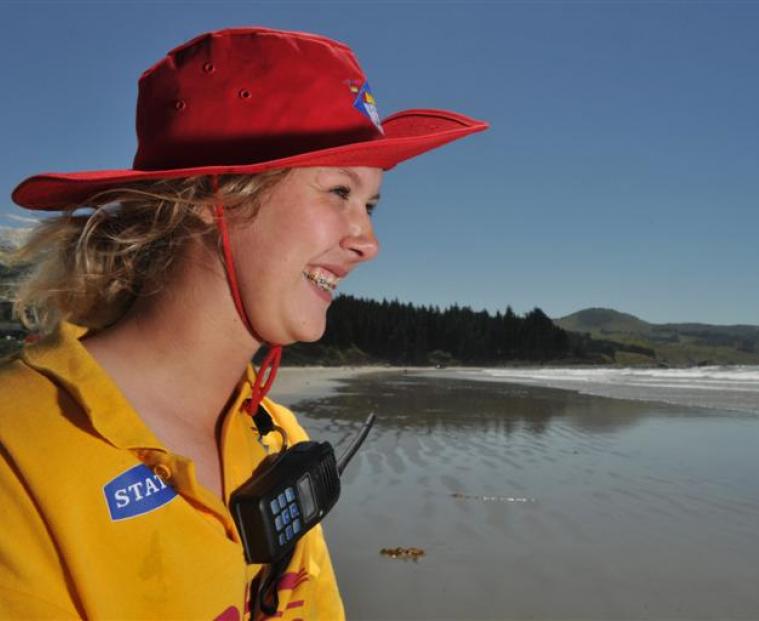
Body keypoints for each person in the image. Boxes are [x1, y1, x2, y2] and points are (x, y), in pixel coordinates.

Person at [0, 26, 486, 619]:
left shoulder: (277, 436)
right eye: (338, 191)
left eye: (371, 206)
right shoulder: (17, 454)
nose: (369, 242)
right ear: (212, 197)